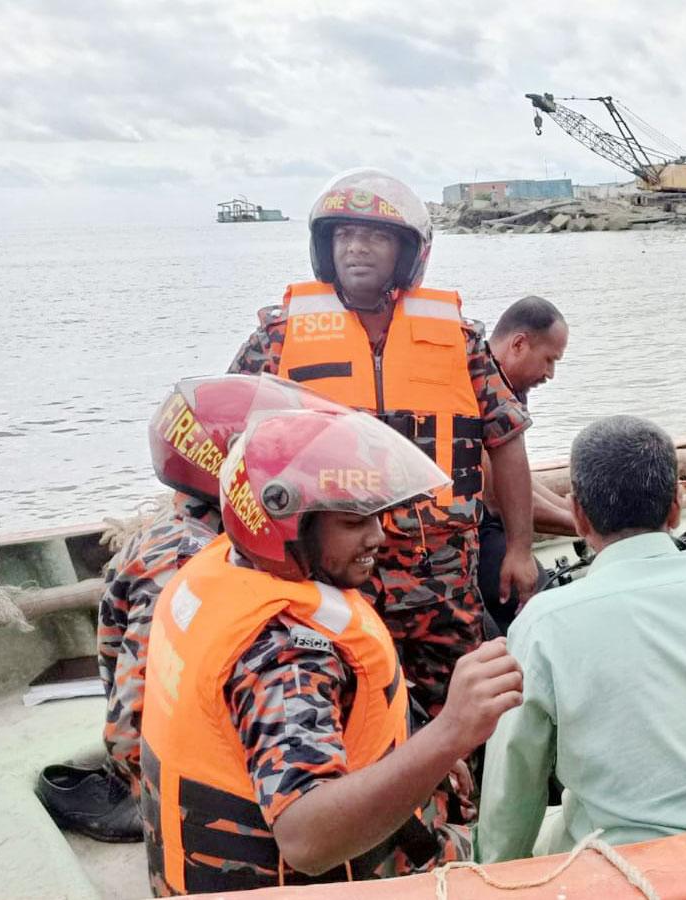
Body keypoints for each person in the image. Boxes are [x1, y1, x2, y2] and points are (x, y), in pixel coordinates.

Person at [139, 409, 523, 895]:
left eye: (377, 517)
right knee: (530, 850)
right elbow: (306, 839)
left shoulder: (227, 569)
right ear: (284, 525)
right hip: (320, 883)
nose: (378, 537)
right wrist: (450, 734)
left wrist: (417, 748)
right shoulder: (284, 655)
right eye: (352, 522)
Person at [227, 168, 537, 721]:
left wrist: (517, 548)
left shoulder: (460, 341)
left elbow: (506, 442)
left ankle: (462, 800)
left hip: (441, 577)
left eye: (374, 236)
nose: (356, 248)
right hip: (328, 577)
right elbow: (227, 447)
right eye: (343, 235)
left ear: (407, 251)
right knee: (350, 711)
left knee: (463, 713)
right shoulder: (277, 341)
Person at [478, 415, 686, 860]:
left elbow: (512, 790)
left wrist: (497, 871)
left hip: (628, 870)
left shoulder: (543, 623)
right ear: (675, 506)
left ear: (577, 515)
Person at [41, 374, 337, 842]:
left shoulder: (202, 530)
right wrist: (140, 787)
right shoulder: (183, 563)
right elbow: (139, 703)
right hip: (179, 780)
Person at [478, 294, 575, 633]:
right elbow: (497, 495)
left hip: (490, 521)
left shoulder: (512, 390)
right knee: (543, 605)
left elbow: (518, 477)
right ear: (519, 344)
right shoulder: (479, 385)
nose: (551, 374)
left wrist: (568, 508)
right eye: (549, 360)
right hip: (471, 527)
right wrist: (587, 526)